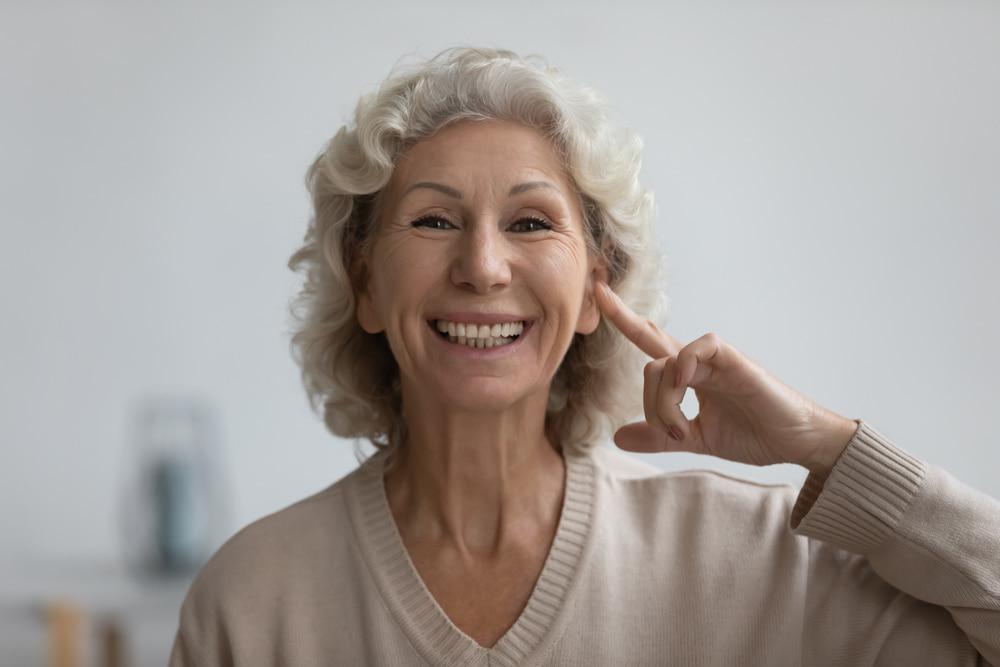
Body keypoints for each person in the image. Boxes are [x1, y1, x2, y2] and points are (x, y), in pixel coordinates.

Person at [169, 47, 999, 666]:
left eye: (531, 223)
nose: (483, 267)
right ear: (366, 285)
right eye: (432, 220)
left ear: (599, 282)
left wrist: (829, 447)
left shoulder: (757, 561)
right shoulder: (252, 602)